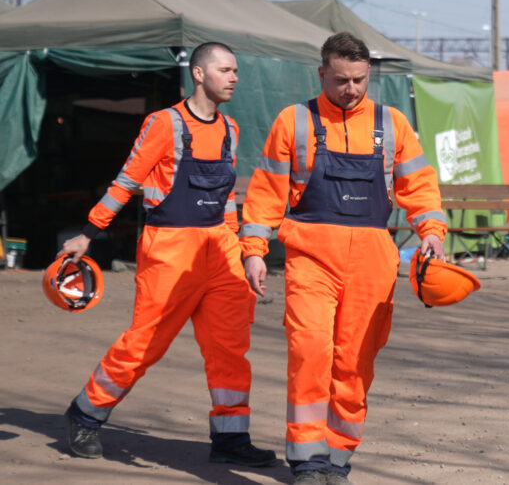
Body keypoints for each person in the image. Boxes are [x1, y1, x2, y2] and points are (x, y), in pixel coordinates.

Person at [240, 32, 447, 485]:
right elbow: (266, 192)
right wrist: (254, 250)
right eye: (340, 80)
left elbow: (420, 186)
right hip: (310, 257)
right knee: (310, 350)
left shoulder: (392, 123)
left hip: (373, 261)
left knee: (355, 362)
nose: (351, 89)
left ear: (368, 73)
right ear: (321, 74)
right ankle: (308, 461)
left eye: (358, 79)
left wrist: (432, 231)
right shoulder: (294, 121)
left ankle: (337, 458)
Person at [60, 42, 278, 468]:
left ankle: (231, 438)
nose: (234, 78)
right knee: (144, 343)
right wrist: (89, 233)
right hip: (170, 252)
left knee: (230, 348)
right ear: (198, 74)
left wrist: (239, 249)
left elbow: (226, 197)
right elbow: (126, 182)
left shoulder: (231, 129)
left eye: (235, 71)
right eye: (225, 70)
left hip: (221, 251)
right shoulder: (163, 123)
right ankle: (85, 414)